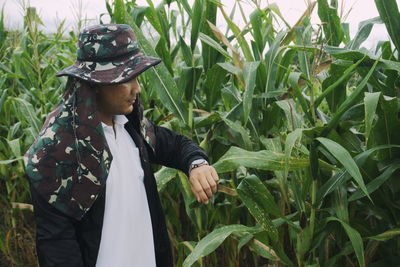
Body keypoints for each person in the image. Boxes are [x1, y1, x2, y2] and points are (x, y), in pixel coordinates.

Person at [24, 23, 219, 267]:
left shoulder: (130, 126)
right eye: (127, 78)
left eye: (136, 77)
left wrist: (196, 163)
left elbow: (175, 144)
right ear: (95, 83)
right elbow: (56, 245)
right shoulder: (56, 151)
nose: (137, 88)